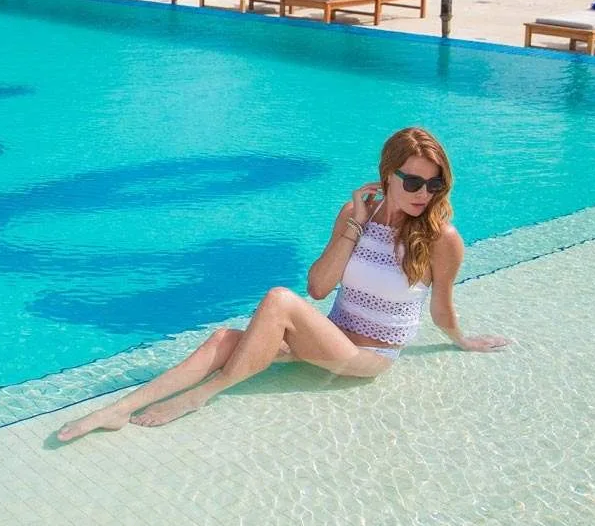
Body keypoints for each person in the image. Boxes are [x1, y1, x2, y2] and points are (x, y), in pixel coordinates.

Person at [56, 127, 509, 440]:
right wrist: (354, 222)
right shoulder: (357, 217)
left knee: (278, 298)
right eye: (412, 181)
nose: (422, 194)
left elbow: (441, 307)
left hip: (369, 356)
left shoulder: (441, 239)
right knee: (223, 339)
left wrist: (461, 339)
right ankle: (117, 409)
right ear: (387, 174)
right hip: (325, 339)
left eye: (434, 185)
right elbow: (319, 287)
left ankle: (203, 394)